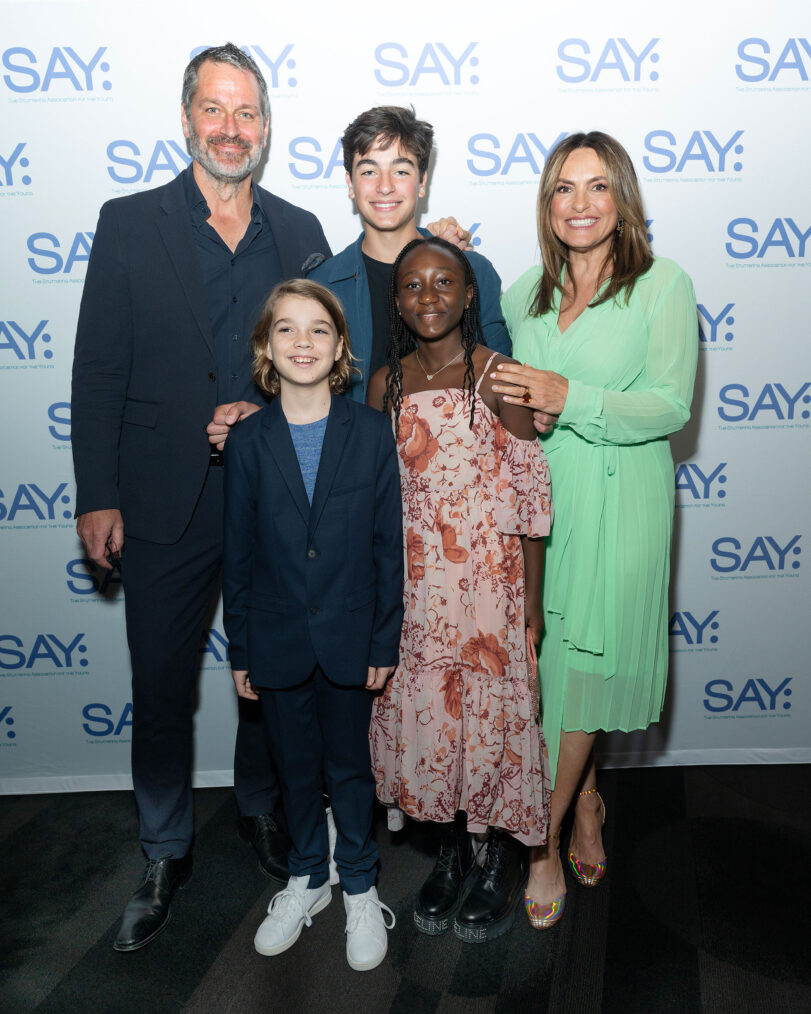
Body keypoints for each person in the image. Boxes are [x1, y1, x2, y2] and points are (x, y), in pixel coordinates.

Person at [71, 44, 333, 952]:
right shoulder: (129, 221)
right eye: (214, 111)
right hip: (157, 498)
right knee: (159, 686)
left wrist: (261, 410)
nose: (231, 129)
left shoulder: (300, 231)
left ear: (266, 126)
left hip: (271, 496)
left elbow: (329, 361)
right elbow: (98, 367)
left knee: (271, 676)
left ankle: (262, 811)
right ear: (187, 120)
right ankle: (162, 846)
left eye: (247, 113)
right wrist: (96, 493)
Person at [491, 131, 698, 928]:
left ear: (622, 200)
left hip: (625, 503)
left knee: (584, 673)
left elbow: (672, 405)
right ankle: (587, 802)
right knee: (549, 674)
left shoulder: (660, 285)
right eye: (562, 190)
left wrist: (569, 395)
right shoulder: (525, 294)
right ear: (546, 206)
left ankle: (539, 845)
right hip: (545, 507)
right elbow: (467, 332)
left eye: (596, 187)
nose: (578, 204)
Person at [367, 237, 552, 943]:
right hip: (415, 588)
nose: (428, 297)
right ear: (397, 301)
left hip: (488, 589)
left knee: (492, 723)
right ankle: (447, 850)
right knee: (431, 726)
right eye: (412, 286)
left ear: (470, 294)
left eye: (444, 282)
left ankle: (495, 856)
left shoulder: (498, 375)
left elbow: (531, 500)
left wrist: (530, 604)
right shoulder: (384, 381)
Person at [222, 279, 403, 971]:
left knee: (349, 768)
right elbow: (237, 555)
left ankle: (358, 882)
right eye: (287, 330)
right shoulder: (247, 442)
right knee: (293, 768)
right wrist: (240, 646)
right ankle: (307, 877)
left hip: (352, 636)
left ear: (339, 347)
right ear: (267, 347)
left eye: (318, 329)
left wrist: (383, 637)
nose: (303, 342)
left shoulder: (367, 432)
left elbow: (388, 545)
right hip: (274, 638)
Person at [310, 105, 511, 401]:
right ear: (350, 184)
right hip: (355, 447)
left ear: (422, 182)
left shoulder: (473, 271)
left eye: (400, 171)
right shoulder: (321, 285)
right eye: (369, 171)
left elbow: (506, 384)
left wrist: (535, 407)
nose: (385, 186)